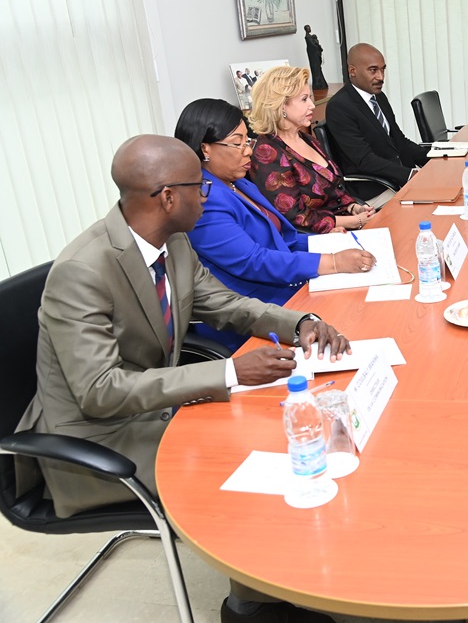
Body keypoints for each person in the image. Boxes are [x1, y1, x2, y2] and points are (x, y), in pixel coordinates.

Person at [13, 135, 348, 623]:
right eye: (200, 187)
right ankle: (251, 605)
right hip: (94, 440)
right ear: (168, 197)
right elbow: (99, 391)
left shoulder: (171, 240)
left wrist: (297, 325)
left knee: (277, 421)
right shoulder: (82, 272)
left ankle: (280, 581)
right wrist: (230, 371)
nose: (207, 196)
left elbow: (225, 304)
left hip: (150, 408)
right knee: (252, 450)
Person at [175, 97, 376, 352]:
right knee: (356, 324)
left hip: (285, 290)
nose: (248, 150)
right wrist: (332, 262)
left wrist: (328, 242)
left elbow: (282, 238)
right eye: (238, 143)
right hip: (253, 314)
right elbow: (253, 261)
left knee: (363, 307)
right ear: (205, 149)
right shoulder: (204, 201)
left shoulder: (238, 183)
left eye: (247, 140)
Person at [249, 66, 376, 234]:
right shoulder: (267, 151)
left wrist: (354, 207)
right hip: (318, 239)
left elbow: (335, 186)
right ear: (280, 106)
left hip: (346, 226)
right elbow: (295, 217)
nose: (312, 105)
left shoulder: (306, 138)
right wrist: (354, 221)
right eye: (304, 99)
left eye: (310, 98)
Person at [326, 43, 429, 190]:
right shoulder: (339, 107)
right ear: (352, 71)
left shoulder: (378, 97)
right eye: (373, 70)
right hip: (375, 188)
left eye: (382, 70)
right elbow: (364, 159)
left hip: (398, 179)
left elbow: (399, 140)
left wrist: (434, 157)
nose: (380, 77)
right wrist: (409, 174)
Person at [303, 24, 328, 91]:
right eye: (308, 28)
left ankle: (321, 83)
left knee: (318, 69)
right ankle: (317, 84)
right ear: (306, 29)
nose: (310, 29)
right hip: (313, 55)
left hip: (315, 54)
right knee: (316, 69)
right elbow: (312, 46)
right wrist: (318, 46)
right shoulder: (307, 37)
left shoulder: (311, 36)